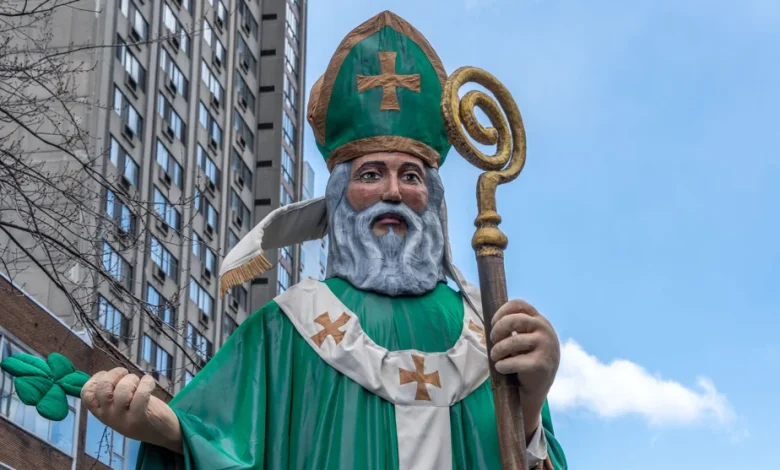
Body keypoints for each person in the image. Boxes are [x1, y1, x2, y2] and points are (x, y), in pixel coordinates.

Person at [81, 11, 568, 470]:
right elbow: (216, 442)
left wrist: (531, 401)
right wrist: (169, 432)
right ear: (338, 199)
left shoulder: (490, 334)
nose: (393, 192)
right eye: (372, 174)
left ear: (433, 199)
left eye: (412, 177)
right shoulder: (286, 328)